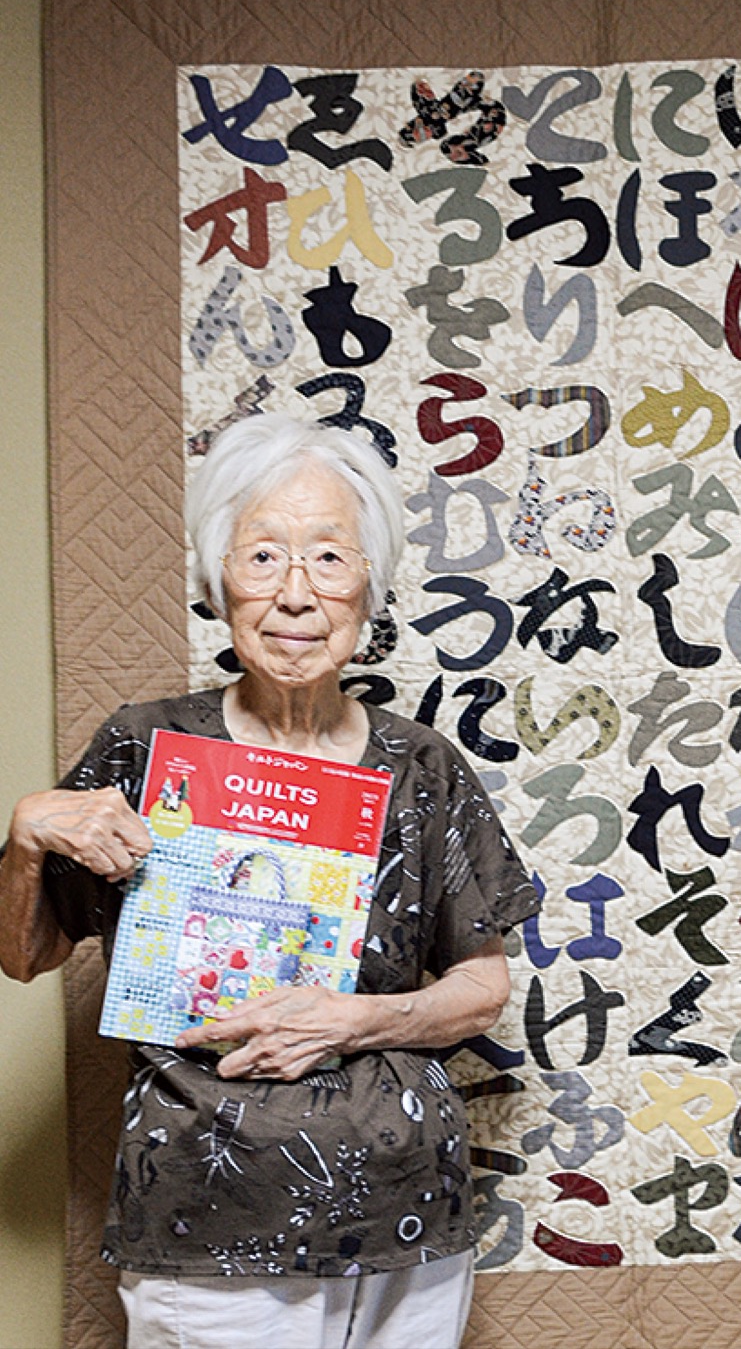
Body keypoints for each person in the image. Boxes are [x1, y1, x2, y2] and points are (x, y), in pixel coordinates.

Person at [0, 413, 539, 1349]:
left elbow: (483, 986)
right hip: (208, 1213)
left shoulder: (422, 765)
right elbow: (24, 955)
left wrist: (354, 1018)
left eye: (329, 558)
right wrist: (25, 838)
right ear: (219, 582)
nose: (296, 593)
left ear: (368, 585)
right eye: (262, 557)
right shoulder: (146, 744)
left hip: (408, 1213)